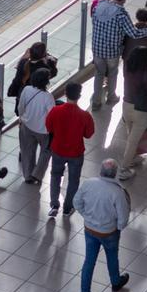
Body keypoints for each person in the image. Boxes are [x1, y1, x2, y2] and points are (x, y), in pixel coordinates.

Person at [73, 159, 131, 292]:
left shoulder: (88, 184)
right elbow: (123, 218)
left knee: (89, 261)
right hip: (109, 232)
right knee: (112, 257)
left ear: (100, 171)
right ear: (115, 174)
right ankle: (116, 282)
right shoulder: (117, 192)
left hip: (90, 230)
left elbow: (76, 202)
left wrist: (86, 216)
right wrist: (117, 227)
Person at [90, 0, 147, 110]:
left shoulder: (98, 7)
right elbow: (133, 33)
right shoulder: (121, 14)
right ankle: (111, 97)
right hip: (112, 50)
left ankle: (96, 102)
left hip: (97, 48)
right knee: (112, 73)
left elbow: (94, 22)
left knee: (99, 74)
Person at [44, 82, 95, 217]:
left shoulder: (55, 111)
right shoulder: (85, 115)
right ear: (79, 96)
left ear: (65, 94)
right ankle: (68, 208)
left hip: (58, 150)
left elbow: (48, 127)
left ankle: (54, 205)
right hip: (76, 152)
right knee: (73, 180)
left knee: (55, 176)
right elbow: (89, 134)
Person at [118, 46, 147, 180]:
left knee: (131, 136)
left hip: (126, 107)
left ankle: (132, 158)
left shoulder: (127, 70)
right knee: (133, 140)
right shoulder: (146, 75)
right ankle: (123, 169)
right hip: (141, 111)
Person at [17, 68, 55, 185]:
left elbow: (20, 107)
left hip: (26, 126)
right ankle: (37, 175)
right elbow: (52, 116)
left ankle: (28, 176)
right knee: (46, 151)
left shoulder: (26, 90)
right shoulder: (48, 97)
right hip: (43, 131)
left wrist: (21, 118)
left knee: (27, 151)